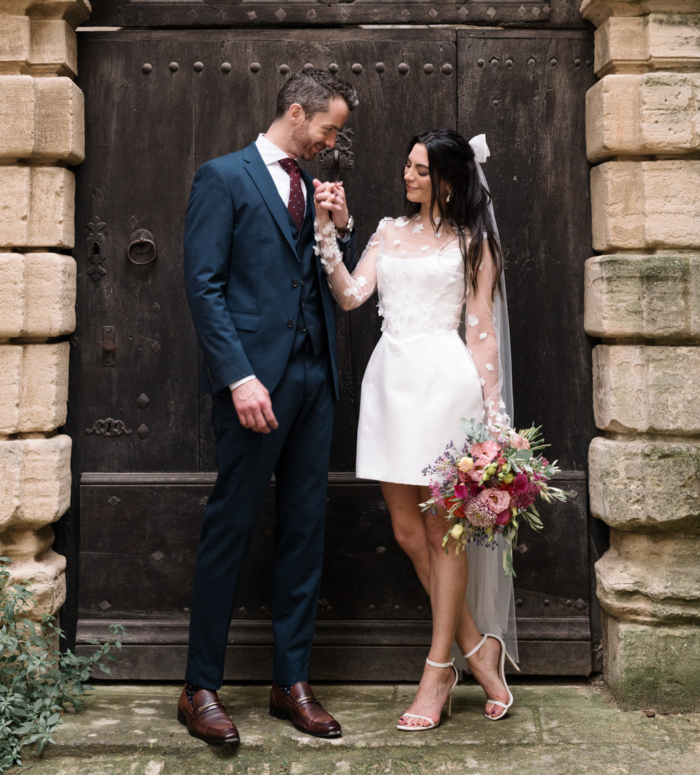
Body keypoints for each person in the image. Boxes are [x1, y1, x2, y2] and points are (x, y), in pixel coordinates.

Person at [179, 67, 359, 748]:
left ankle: (292, 682)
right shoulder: (221, 176)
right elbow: (203, 284)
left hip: (316, 380)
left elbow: (315, 272)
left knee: (304, 530)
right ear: (295, 111)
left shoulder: (314, 188)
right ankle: (199, 687)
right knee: (231, 527)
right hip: (255, 386)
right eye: (328, 127)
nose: (330, 141)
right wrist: (238, 378)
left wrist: (336, 226)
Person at [314, 128, 517, 730]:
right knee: (407, 531)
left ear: (449, 180)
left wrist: (494, 416)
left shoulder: (473, 242)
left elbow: (479, 327)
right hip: (390, 386)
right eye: (407, 166)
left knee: (442, 534)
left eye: (422, 170)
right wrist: (331, 229)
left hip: (444, 387)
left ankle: (436, 671)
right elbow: (351, 296)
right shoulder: (386, 230)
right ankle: (479, 650)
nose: (408, 177)